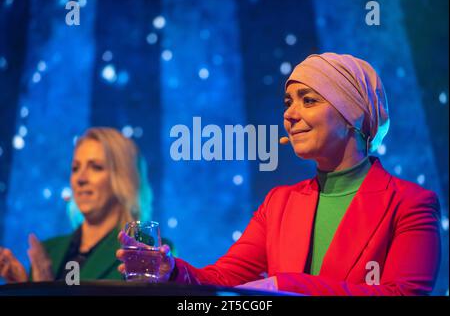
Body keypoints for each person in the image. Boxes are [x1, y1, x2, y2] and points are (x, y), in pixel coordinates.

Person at [116, 53, 441, 296]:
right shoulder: (279, 203)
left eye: (308, 100)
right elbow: (224, 278)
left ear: (351, 114)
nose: (290, 113)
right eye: (288, 102)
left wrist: (289, 286)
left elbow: (403, 294)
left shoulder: (411, 203)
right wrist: (173, 272)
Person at [0, 127, 162, 282]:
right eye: (75, 168)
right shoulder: (48, 251)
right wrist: (22, 287)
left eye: (96, 167)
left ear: (124, 179)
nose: (80, 178)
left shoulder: (148, 251)